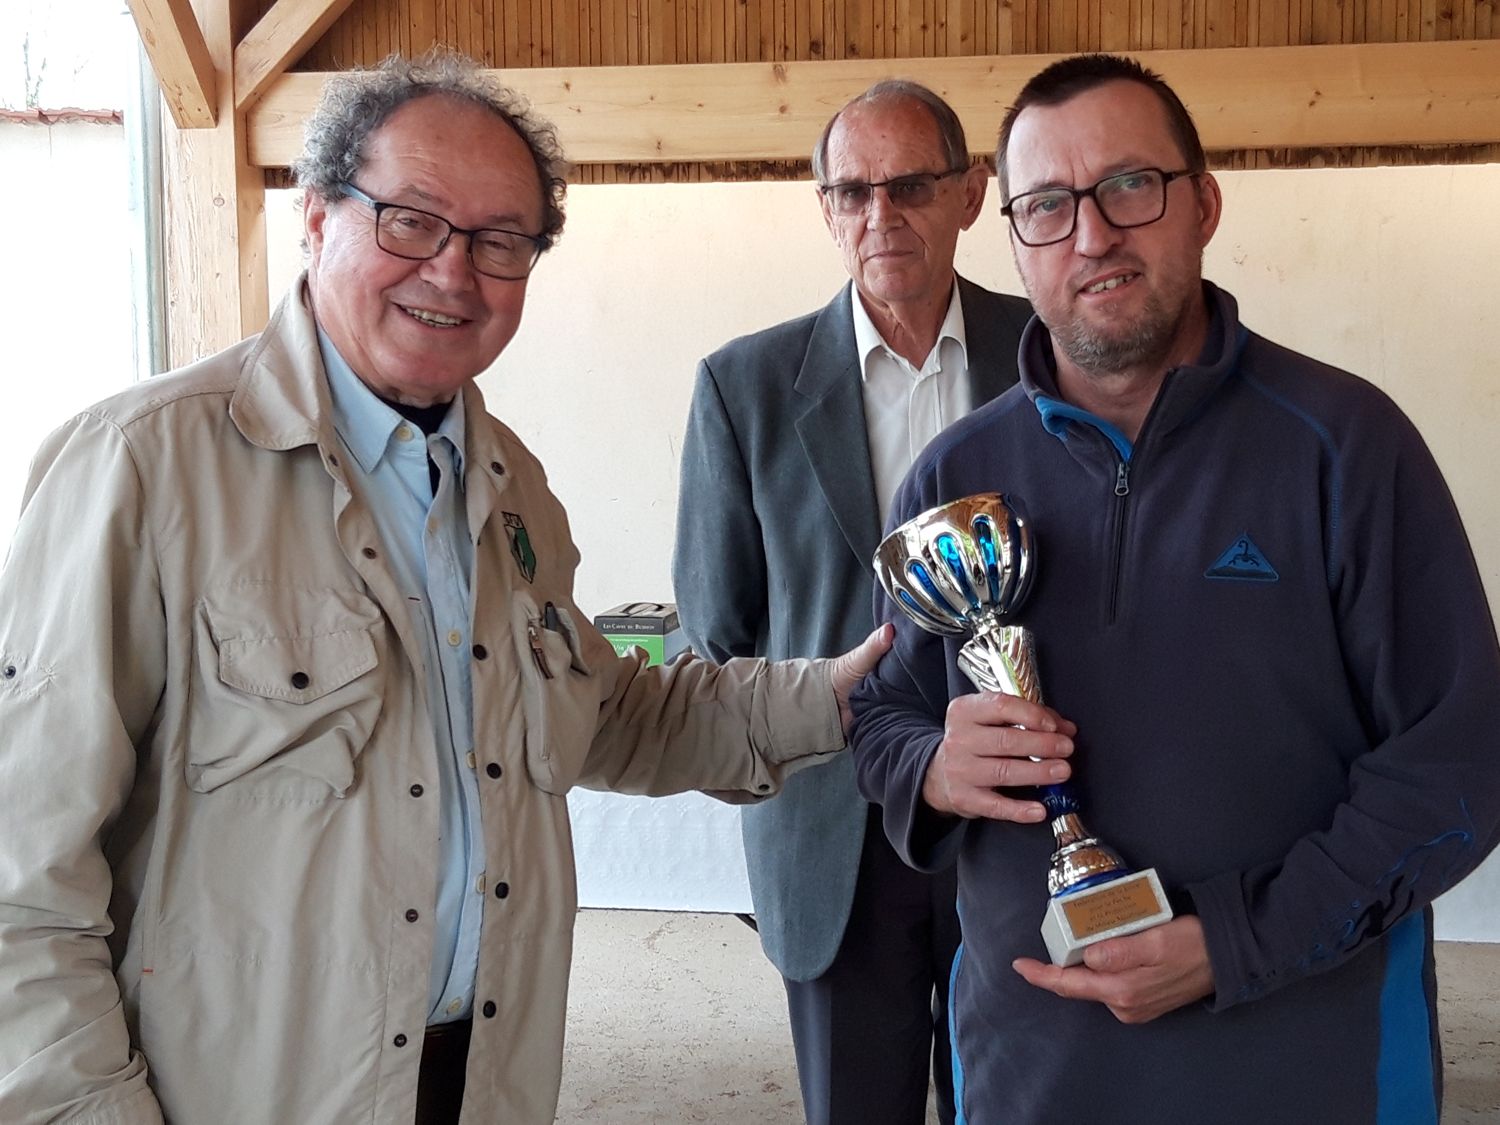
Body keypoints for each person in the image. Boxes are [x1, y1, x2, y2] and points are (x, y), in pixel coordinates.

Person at [0, 51, 890, 1125]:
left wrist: (842, 696)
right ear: (317, 216)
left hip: (482, 1082)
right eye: (410, 221)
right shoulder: (142, 469)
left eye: (501, 240)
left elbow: (609, 713)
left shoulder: (512, 488)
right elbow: (22, 879)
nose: (453, 272)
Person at [849, 52, 1500, 1124]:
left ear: (1203, 202)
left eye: (1130, 186)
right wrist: (933, 766)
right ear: (1014, 237)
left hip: (1311, 1073)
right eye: (1047, 205)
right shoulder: (954, 478)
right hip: (1032, 1077)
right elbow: (882, 714)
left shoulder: (1347, 447)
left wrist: (1233, 942)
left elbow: (1458, 767)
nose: (1092, 234)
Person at [672, 80, 1031, 1125]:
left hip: (1018, 814)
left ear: (970, 194)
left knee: (1019, 1101)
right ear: (826, 208)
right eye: (853, 192)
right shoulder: (744, 387)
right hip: (836, 831)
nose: (882, 216)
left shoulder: (1050, 356)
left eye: (911, 186)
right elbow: (717, 632)